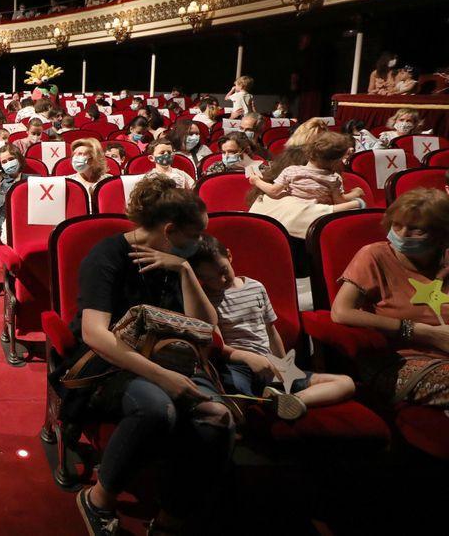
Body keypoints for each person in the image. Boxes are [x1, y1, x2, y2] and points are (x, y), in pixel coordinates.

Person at [62, 175, 233, 535]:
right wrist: (162, 377)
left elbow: (206, 327)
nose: (200, 242)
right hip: (114, 362)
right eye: (194, 235)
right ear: (169, 229)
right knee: (159, 409)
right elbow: (96, 334)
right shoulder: (108, 255)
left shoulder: (179, 259)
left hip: (171, 355)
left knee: (217, 417)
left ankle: (172, 518)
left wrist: (185, 270)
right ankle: (97, 499)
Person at [189, 235, 354, 420]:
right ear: (199, 278)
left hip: (271, 364)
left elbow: (270, 331)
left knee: (345, 383)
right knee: (236, 405)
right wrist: (249, 358)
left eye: (223, 270)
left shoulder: (256, 287)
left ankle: (290, 401)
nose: (221, 280)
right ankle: (262, 403)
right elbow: (217, 346)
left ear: (229, 256)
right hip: (237, 365)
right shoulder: (205, 300)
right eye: (210, 279)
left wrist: (284, 365)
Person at [331, 189, 449, 411]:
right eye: (397, 225)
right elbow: (341, 312)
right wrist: (423, 332)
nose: (403, 235)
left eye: (416, 230)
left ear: (442, 235)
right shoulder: (374, 255)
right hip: (400, 359)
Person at [248, 132, 366, 232]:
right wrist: (355, 196)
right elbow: (339, 201)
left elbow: (273, 191)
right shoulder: (333, 178)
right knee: (350, 206)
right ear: (336, 161)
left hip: (291, 227)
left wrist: (257, 180)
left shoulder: (290, 172)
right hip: (316, 219)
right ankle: (357, 203)